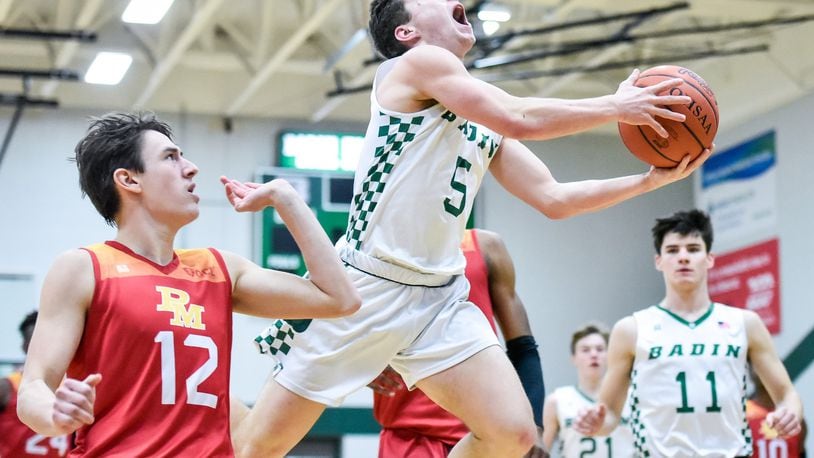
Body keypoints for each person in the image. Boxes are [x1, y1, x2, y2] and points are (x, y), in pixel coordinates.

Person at [235, 1, 711, 456]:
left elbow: (554, 199)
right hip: (366, 285)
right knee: (258, 448)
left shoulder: (481, 120)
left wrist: (649, 182)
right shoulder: (413, 65)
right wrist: (615, 105)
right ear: (407, 32)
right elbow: (518, 116)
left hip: (438, 297)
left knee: (513, 434)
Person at [16, 112, 361, 457]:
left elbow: (338, 298)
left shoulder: (220, 268)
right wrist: (53, 413)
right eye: (170, 157)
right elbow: (34, 386)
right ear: (129, 180)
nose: (191, 167)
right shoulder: (83, 268)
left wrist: (287, 199)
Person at [574, 209, 803, 457]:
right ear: (658, 261)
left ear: (709, 258)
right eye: (672, 250)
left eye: (693, 249)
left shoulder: (744, 323)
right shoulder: (632, 329)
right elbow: (609, 412)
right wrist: (596, 424)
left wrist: (790, 412)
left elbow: (786, 395)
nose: (683, 257)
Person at [368, 229, 546, 457]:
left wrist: (537, 427)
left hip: (487, 433)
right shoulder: (380, 241)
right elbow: (338, 323)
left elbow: (523, 347)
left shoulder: (485, 245)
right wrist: (359, 364)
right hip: (409, 434)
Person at [542, 323, 635, 457]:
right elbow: (541, 450)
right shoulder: (556, 400)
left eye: (600, 349)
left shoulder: (632, 396)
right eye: (585, 350)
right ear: (573, 358)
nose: (593, 354)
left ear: (610, 356)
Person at [1, 311, 71, 457]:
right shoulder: (6, 387)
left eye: (48, 339)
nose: (42, 346)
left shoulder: (74, 386)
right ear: (25, 345)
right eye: (35, 340)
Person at [747, 366, 807, 458]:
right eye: (757, 364)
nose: (764, 369)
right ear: (749, 372)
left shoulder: (794, 416)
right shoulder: (740, 414)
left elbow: (800, 452)